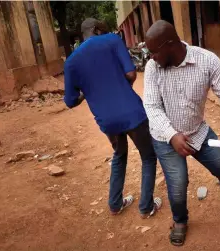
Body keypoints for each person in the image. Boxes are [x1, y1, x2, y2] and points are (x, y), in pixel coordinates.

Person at [143, 20, 220, 246]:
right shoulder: (152, 68)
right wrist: (172, 135)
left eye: (154, 51)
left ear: (169, 44)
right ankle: (180, 221)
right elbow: (152, 107)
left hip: (199, 132)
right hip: (165, 138)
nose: (151, 57)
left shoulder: (206, 60)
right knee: (178, 184)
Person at [64, 18, 162, 218]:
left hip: (107, 121)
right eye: (103, 28)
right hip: (132, 113)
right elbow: (131, 74)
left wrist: (89, 91)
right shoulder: (111, 39)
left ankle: (116, 204)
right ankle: (146, 206)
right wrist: (120, 84)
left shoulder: (72, 61)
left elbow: (70, 101)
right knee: (148, 156)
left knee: (119, 155)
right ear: (97, 30)